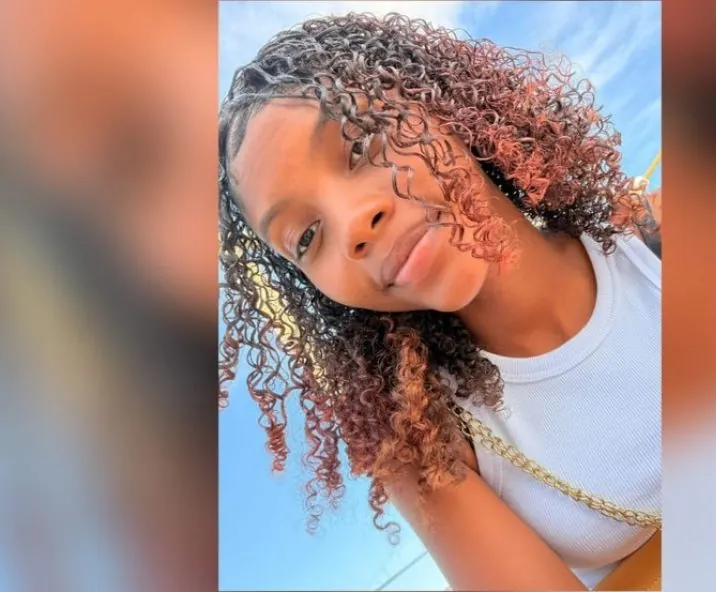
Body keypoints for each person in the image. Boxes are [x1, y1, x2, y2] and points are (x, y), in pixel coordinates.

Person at [219, 13, 660, 591]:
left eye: (361, 142)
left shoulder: (656, 242)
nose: (353, 225)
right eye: (305, 238)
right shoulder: (423, 443)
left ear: (439, 104)